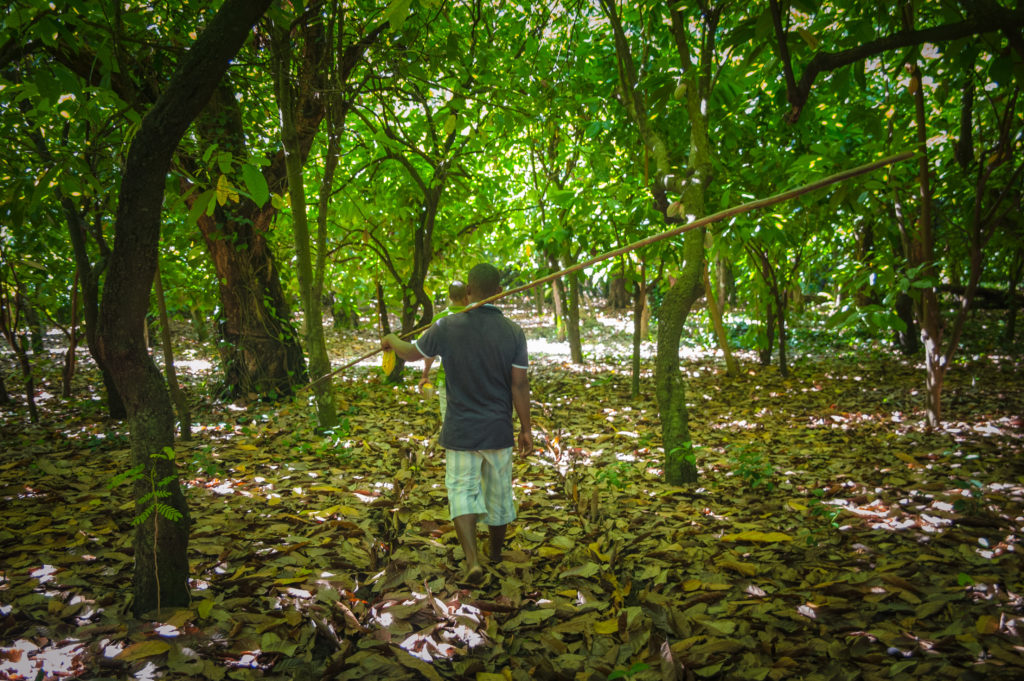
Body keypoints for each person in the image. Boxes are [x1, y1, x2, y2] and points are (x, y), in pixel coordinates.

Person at [382, 263, 532, 584]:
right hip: (498, 430)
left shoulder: (446, 327)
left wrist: (391, 339)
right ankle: (494, 553)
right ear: (500, 291)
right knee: (499, 495)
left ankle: (473, 562)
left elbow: (410, 354)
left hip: (461, 431)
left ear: (467, 293)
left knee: (462, 492)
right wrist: (527, 429)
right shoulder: (513, 332)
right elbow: (519, 385)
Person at [418, 281, 469, 421]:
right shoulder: (476, 315)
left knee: (449, 421)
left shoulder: (440, 319)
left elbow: (430, 352)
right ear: (467, 295)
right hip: (473, 379)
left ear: (450, 297)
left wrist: (425, 374)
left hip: (446, 379)